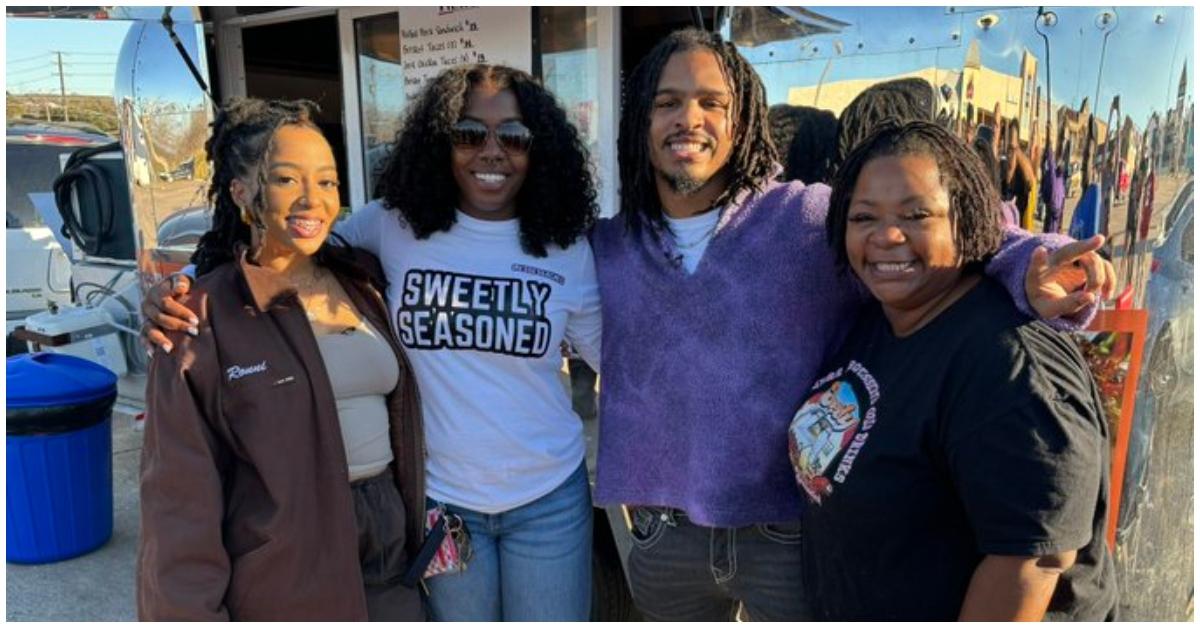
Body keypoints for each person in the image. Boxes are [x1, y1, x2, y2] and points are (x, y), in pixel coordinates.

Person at [589, 29, 1115, 622]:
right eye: (667, 102)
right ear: (641, 120)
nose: (690, 118)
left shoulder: (804, 217)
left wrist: (1029, 264)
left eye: (713, 102)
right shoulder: (610, 248)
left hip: (787, 535)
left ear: (742, 122)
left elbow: (943, 229)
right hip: (669, 539)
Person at [142, 65, 602, 621]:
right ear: (441, 143)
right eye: (468, 134)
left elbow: (619, 363)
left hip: (547, 498)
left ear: (539, 148)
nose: (491, 150)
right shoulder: (393, 227)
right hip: (441, 502)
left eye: (514, 136)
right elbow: (291, 244)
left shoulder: (566, 250)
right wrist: (181, 284)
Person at [796, 119, 1117, 620]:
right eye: (863, 218)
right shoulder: (880, 318)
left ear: (963, 221)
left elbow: (1033, 558)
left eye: (916, 214)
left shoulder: (1010, 362)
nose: (886, 236)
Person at [137, 99, 425, 621]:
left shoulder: (364, 283)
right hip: (287, 564)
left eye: (328, 182)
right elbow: (179, 500)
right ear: (241, 192)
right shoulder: (195, 318)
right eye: (287, 180)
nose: (312, 200)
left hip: (389, 549)